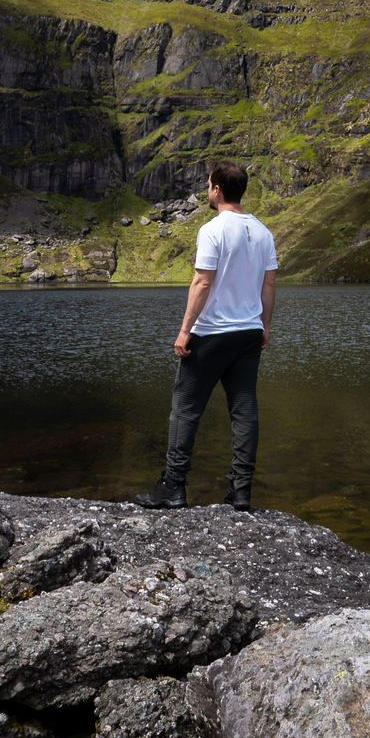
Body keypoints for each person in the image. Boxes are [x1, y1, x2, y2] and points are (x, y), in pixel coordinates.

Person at [133, 160, 277, 512]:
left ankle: (174, 487)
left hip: (211, 333)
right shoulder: (263, 232)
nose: (207, 188)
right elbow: (269, 283)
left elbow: (201, 281)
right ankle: (240, 492)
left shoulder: (212, 230)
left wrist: (184, 331)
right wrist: (265, 326)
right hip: (248, 333)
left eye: (208, 184)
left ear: (216, 190)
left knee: (185, 409)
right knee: (244, 410)